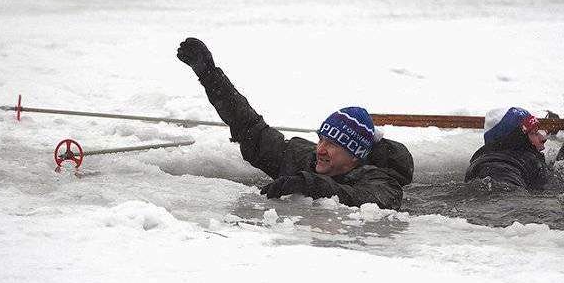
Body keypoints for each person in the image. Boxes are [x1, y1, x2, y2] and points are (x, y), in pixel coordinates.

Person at [177, 37, 414, 210]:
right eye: (321, 138)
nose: (320, 149)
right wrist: (209, 75)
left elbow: (362, 197)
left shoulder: (384, 184)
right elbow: (250, 128)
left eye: (332, 144)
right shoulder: (303, 157)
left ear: (355, 155)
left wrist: (309, 184)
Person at [464, 92, 564, 190]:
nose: (543, 137)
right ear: (515, 138)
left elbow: (552, 175)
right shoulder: (495, 166)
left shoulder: (518, 160)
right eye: (533, 132)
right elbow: (507, 203)